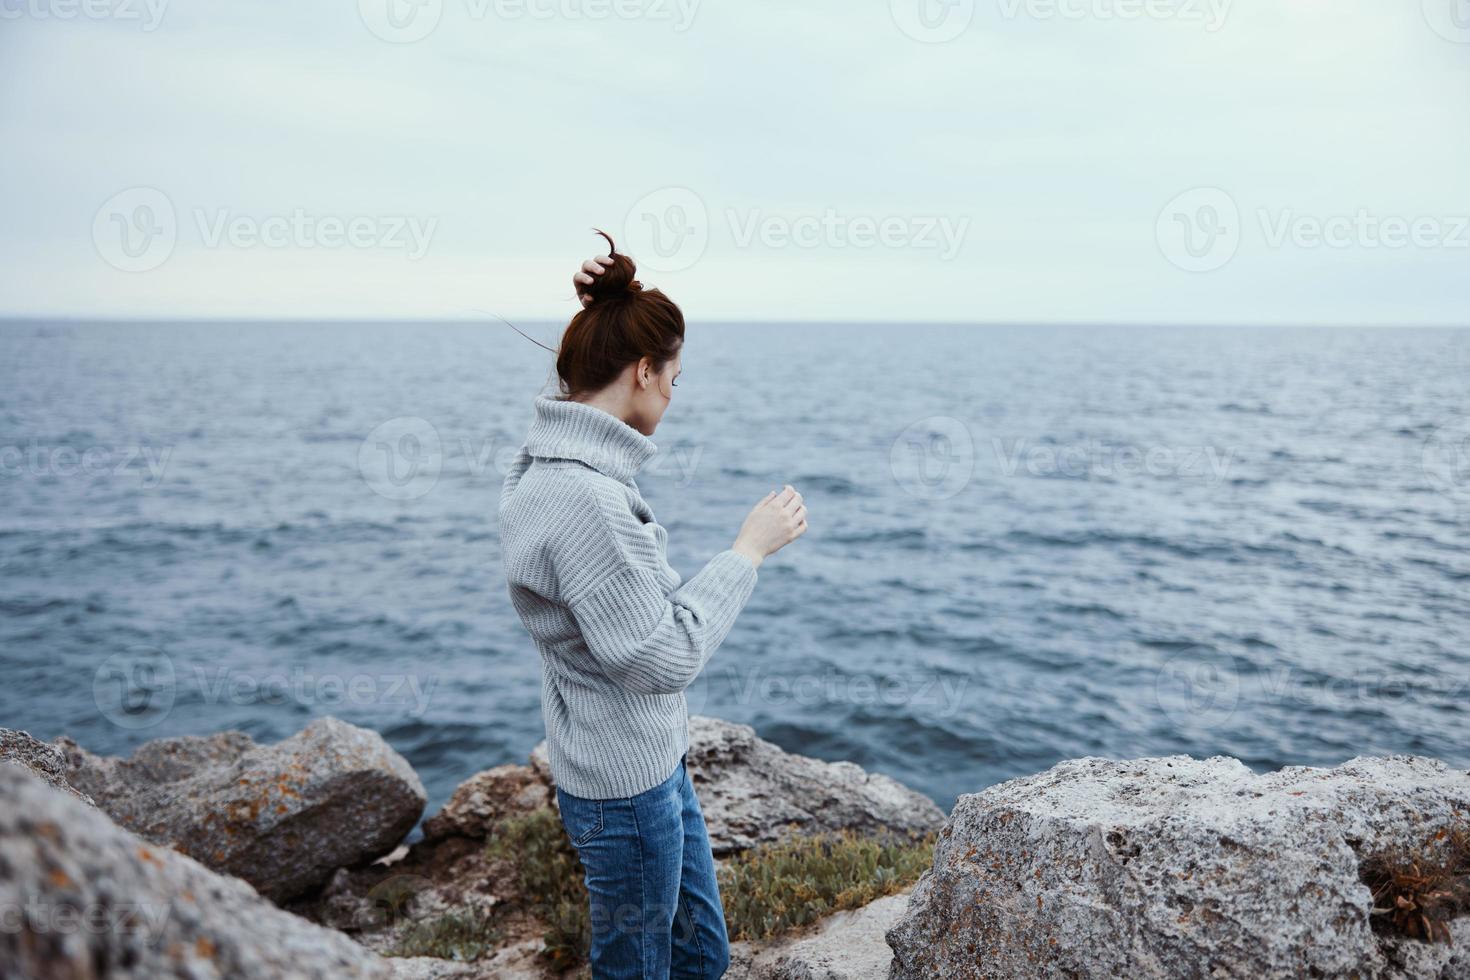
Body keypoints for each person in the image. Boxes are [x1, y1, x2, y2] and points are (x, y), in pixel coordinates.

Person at [498, 232, 808, 978]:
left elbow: (570, 402)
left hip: (643, 763)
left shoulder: (549, 458)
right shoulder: (587, 500)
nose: (672, 392)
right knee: (638, 965)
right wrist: (747, 551)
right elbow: (661, 657)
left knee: (701, 953)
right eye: (673, 376)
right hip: (626, 790)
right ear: (643, 373)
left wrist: (598, 315)